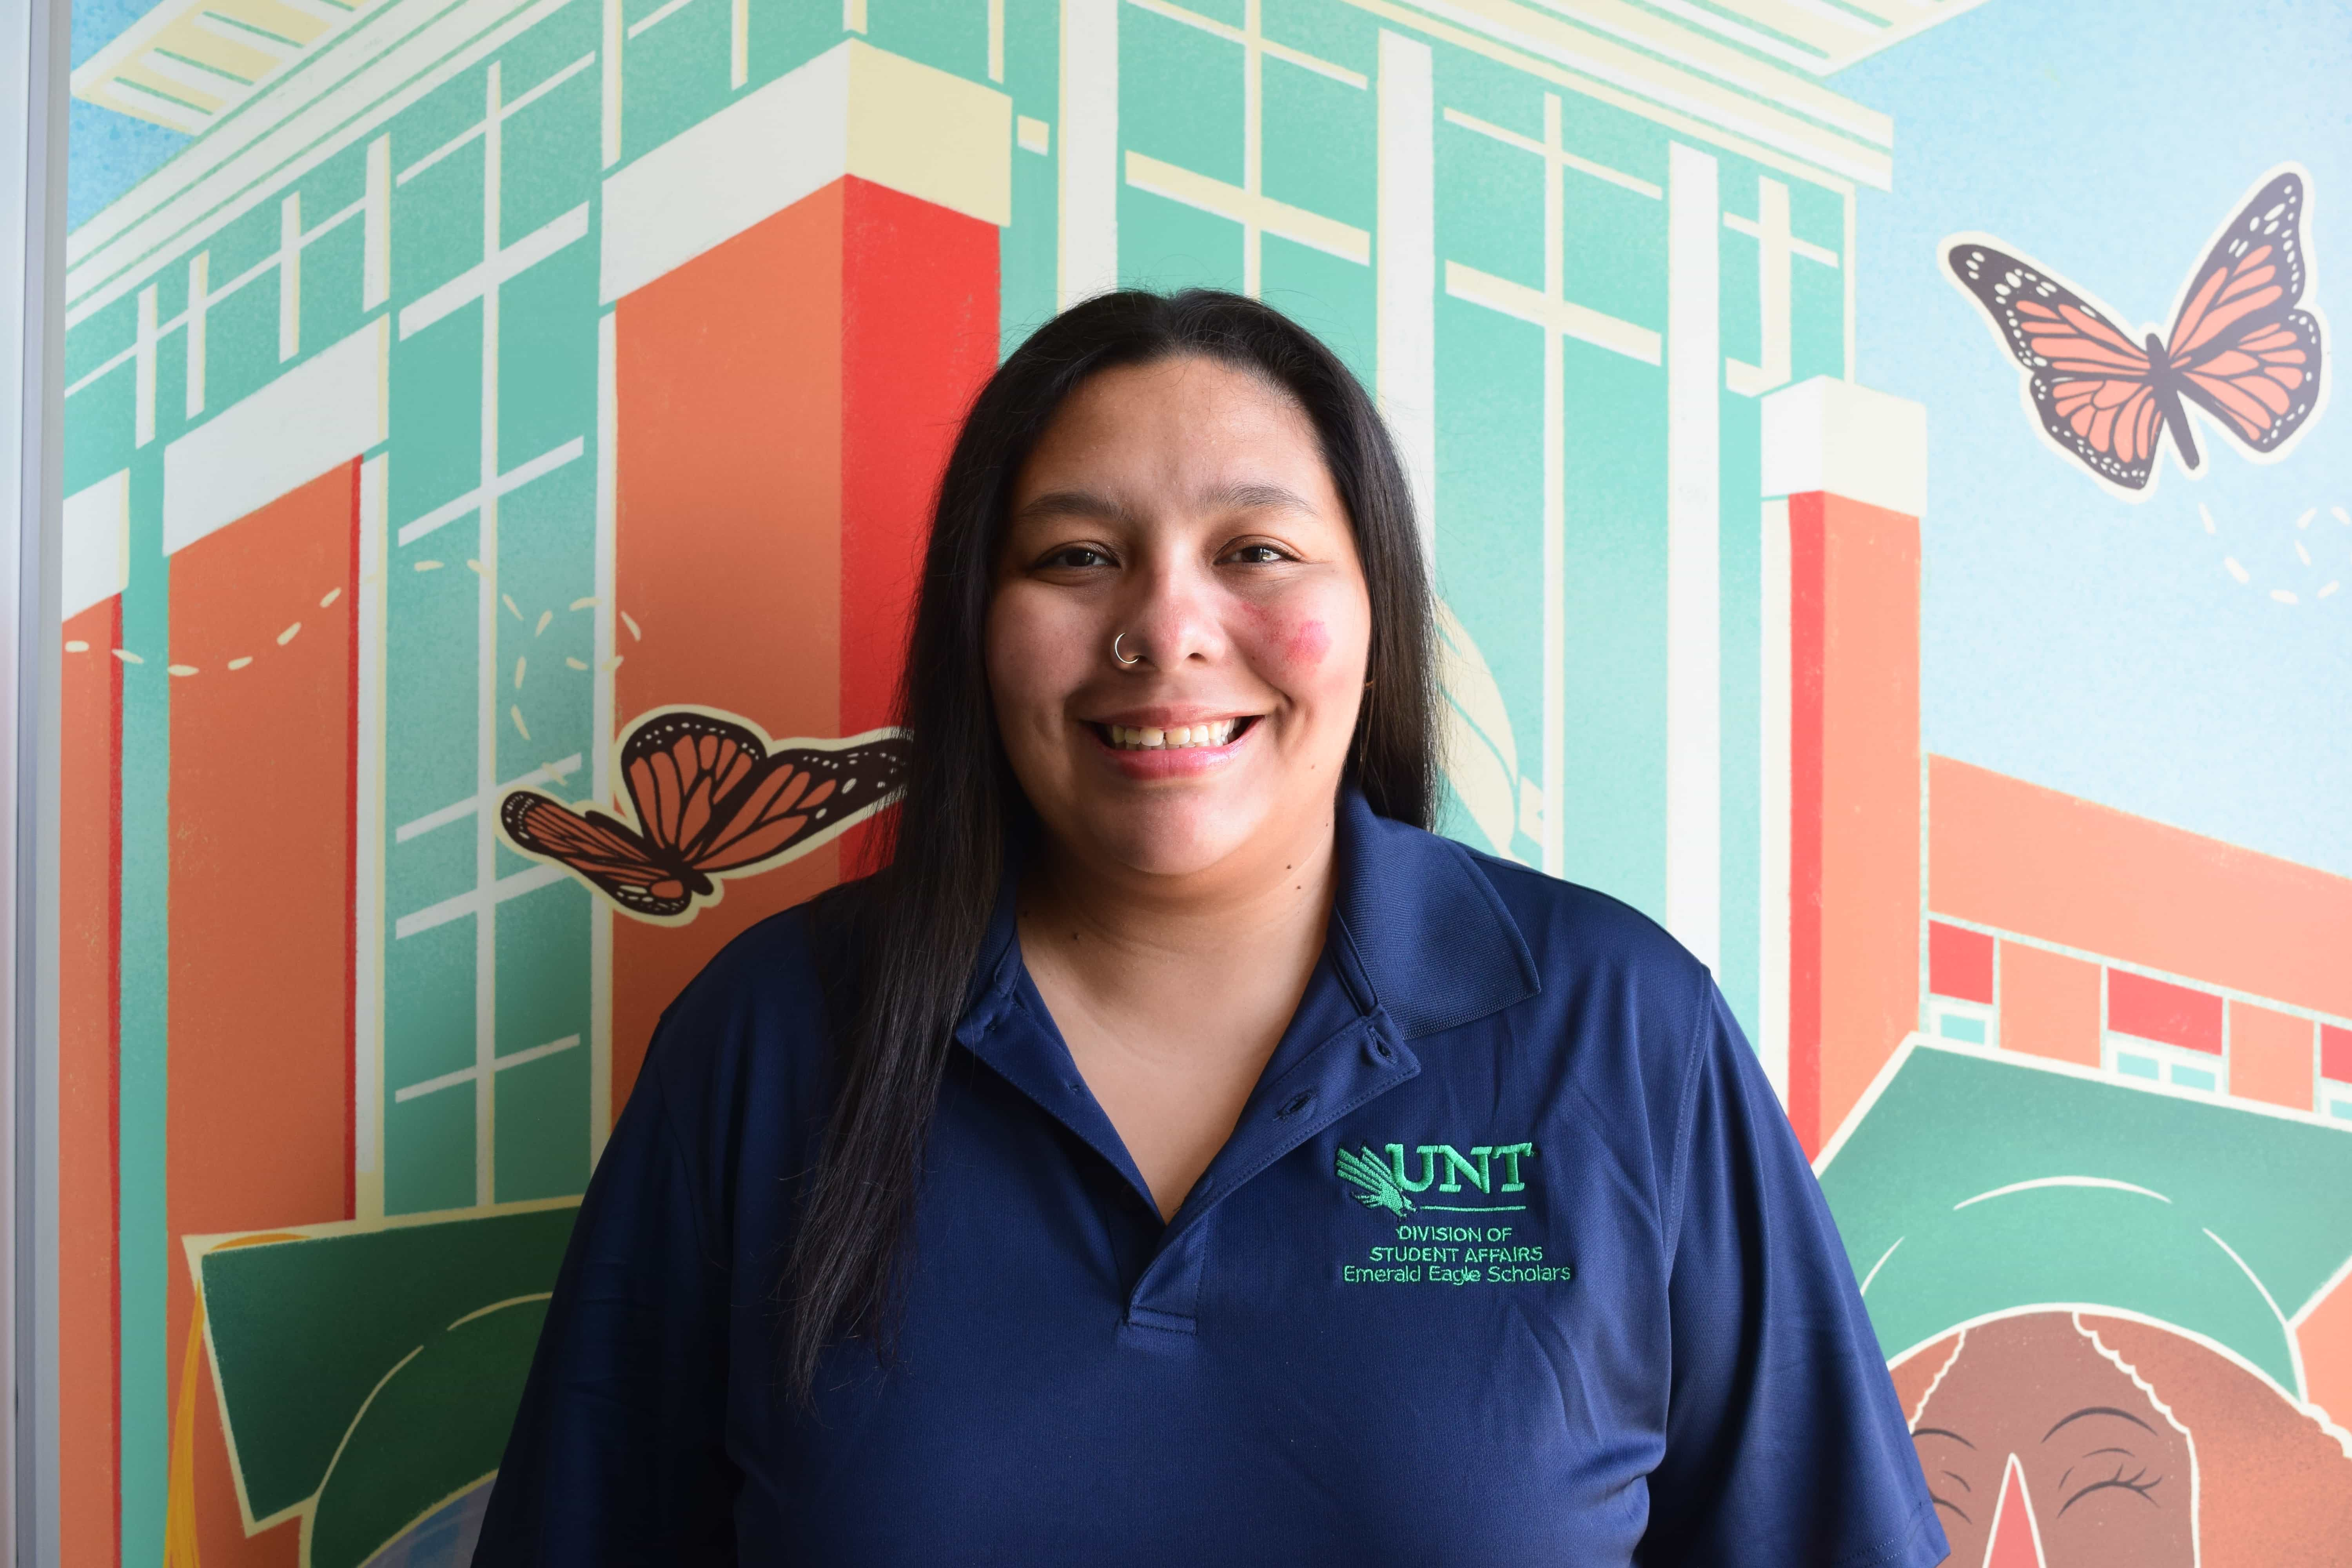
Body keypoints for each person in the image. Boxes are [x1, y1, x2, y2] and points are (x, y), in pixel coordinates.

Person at [472, 289, 1946, 1565]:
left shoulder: (1619, 1030)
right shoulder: (773, 1038)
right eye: (1076, 557)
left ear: (1378, 610)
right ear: (976, 627)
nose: (1164, 628)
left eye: (1255, 551)